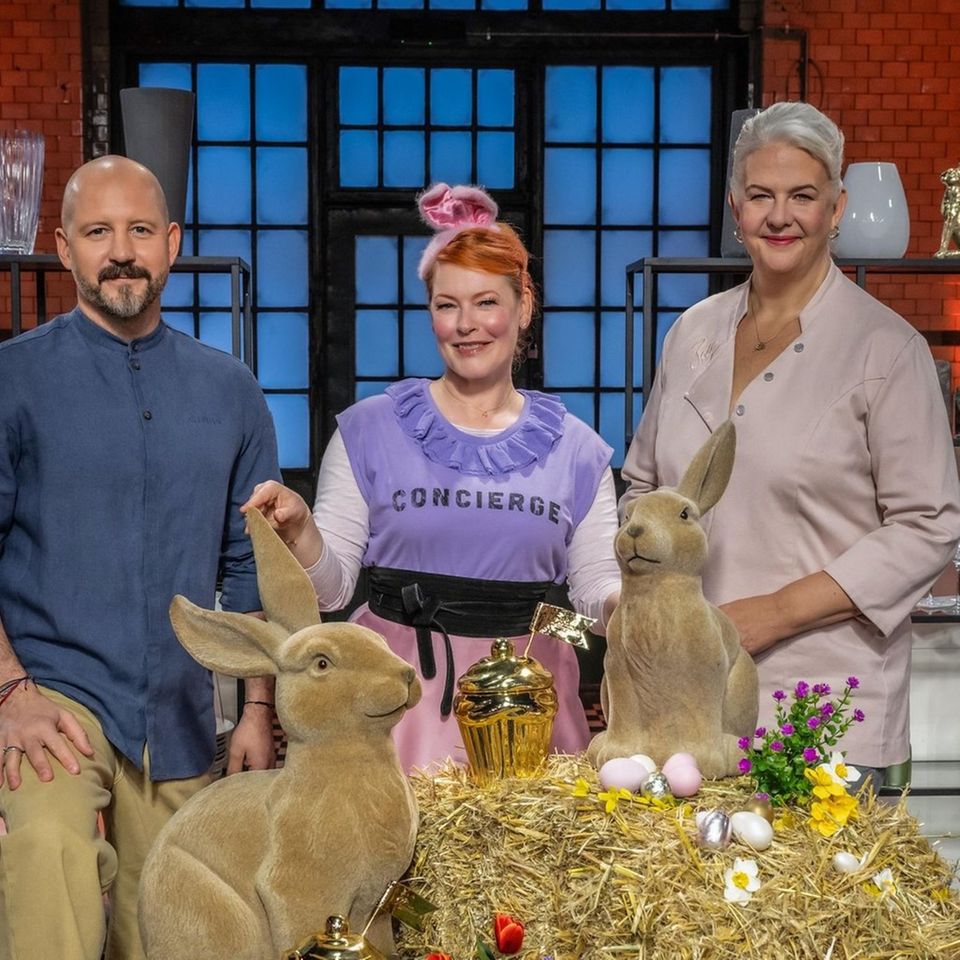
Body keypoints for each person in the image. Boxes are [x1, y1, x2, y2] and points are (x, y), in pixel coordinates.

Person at [621, 101, 960, 787]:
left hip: (826, 706)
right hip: (685, 705)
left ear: (836, 209)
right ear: (735, 208)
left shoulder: (886, 349)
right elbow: (643, 488)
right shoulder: (691, 334)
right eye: (761, 196)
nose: (780, 217)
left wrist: (771, 614)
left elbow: (929, 525)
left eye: (802, 196)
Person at [0, 156, 282, 960]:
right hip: (54, 700)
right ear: (64, 248)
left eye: (139, 230)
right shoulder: (12, 379)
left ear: (172, 242)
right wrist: (10, 693)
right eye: (98, 232)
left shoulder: (231, 390)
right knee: (47, 851)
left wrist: (257, 709)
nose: (121, 251)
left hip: (180, 716)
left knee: (181, 925)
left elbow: (249, 565)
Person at [244, 182, 621, 772]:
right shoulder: (369, 430)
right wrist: (300, 532)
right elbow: (333, 591)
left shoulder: (577, 449)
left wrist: (631, 610)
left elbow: (594, 595)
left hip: (529, 700)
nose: (466, 324)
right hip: (393, 698)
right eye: (447, 306)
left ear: (524, 306)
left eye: (486, 302)